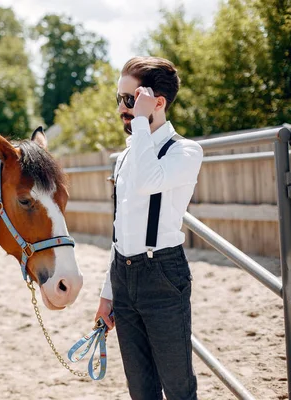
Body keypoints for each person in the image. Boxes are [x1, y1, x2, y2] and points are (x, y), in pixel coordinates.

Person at [94, 56, 203, 400]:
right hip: (124, 275)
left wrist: (141, 123)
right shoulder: (127, 154)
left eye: (131, 100)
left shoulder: (186, 151)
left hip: (163, 277)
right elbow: (120, 230)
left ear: (158, 102)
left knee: (178, 387)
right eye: (120, 100)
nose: (123, 109)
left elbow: (148, 182)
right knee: (140, 389)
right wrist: (107, 292)